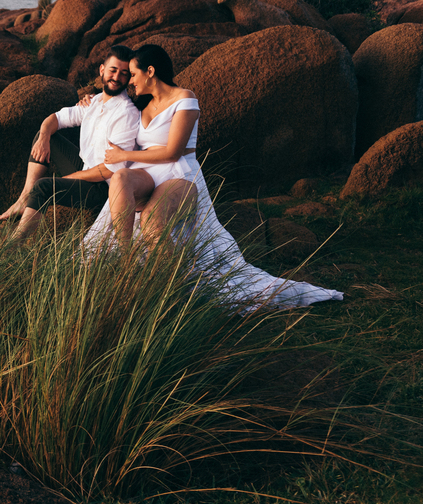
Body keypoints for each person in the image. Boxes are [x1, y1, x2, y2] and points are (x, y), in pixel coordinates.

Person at [85, 44, 343, 310]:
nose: (130, 81)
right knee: (120, 180)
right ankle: (127, 261)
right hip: (149, 173)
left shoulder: (185, 98)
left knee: (152, 219)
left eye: (134, 74)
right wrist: (89, 100)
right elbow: (110, 103)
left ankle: (172, 288)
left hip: (178, 173)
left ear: (150, 71)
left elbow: (174, 152)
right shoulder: (143, 104)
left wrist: (124, 155)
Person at [0, 45, 142, 240]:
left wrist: (71, 178)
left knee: (44, 187)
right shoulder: (94, 102)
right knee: (44, 135)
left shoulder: (126, 113)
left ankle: (12, 246)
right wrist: (44, 137)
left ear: (129, 78)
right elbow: (56, 118)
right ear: (102, 70)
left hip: (102, 187)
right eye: (113, 70)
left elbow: (112, 169)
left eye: (123, 73)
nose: (116, 77)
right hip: (86, 168)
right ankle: (24, 198)